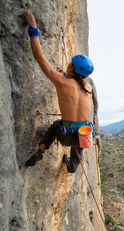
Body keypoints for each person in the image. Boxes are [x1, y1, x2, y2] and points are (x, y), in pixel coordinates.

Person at [24, 10, 96, 173]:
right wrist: (66, 73)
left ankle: (42, 149)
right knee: (77, 152)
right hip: (83, 136)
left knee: (57, 124)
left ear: (72, 67)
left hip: (65, 135)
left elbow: (40, 58)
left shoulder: (62, 81)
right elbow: (76, 83)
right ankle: (71, 167)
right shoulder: (88, 88)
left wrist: (33, 28)